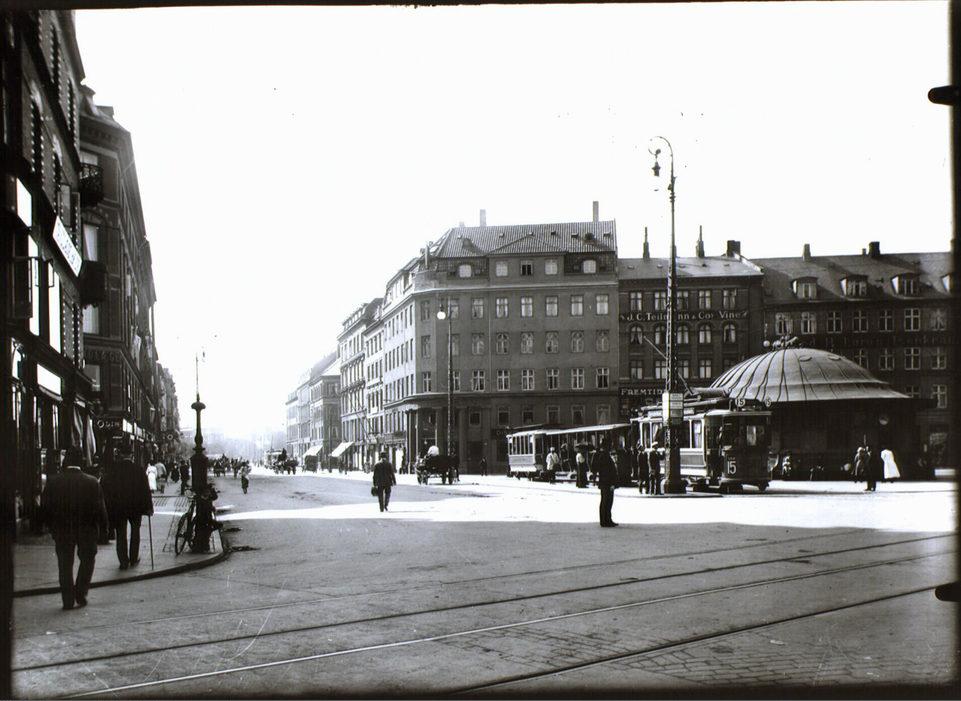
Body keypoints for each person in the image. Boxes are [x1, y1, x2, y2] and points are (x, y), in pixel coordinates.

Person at [40, 448, 109, 610]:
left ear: (66, 461)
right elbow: (101, 508)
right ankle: (80, 592)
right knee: (88, 560)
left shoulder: (53, 482)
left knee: (64, 564)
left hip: (62, 529)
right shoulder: (92, 482)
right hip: (87, 529)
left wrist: (50, 526)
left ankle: (67, 599)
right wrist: (104, 527)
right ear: (81, 461)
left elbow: (45, 508)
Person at [101, 442, 154, 569]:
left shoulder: (113, 470)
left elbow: (107, 489)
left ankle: (123, 561)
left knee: (121, 534)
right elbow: (145, 490)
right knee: (135, 532)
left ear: (120, 454)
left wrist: (109, 505)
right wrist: (149, 507)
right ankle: (133, 558)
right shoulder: (138, 470)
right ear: (131, 455)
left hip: (119, 507)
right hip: (135, 507)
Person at [592, 439, 618, 527]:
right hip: (607, 482)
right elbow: (608, 471)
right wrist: (611, 483)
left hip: (605, 482)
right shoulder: (604, 456)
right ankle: (605, 520)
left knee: (606, 501)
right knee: (607, 501)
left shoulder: (602, 455)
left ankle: (607, 520)